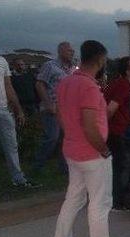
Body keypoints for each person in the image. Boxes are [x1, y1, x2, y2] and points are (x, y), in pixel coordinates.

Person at [52, 40, 127, 237]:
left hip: (72, 150)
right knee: (100, 201)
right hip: (92, 154)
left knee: (73, 197)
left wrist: (72, 136)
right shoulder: (90, 87)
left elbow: (60, 114)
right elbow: (89, 125)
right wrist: (103, 149)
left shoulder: (66, 83)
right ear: (101, 60)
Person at [0, 25, 40, 196]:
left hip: (4, 108)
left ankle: (18, 179)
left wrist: (17, 109)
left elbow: (8, 85)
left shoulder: (1, 61)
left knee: (11, 145)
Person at [104, 56, 130, 209]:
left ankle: (116, 199)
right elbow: (110, 109)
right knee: (121, 166)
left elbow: (120, 108)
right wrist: (103, 129)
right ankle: (117, 202)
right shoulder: (123, 85)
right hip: (114, 132)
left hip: (117, 129)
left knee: (119, 165)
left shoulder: (122, 84)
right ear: (127, 71)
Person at [34, 42, 76, 173]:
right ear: (60, 51)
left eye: (72, 50)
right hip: (52, 107)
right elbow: (39, 85)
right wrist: (48, 103)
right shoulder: (50, 66)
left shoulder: (72, 69)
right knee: (52, 137)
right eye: (69, 50)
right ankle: (37, 166)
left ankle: (64, 168)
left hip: (67, 109)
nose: (72, 52)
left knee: (66, 139)